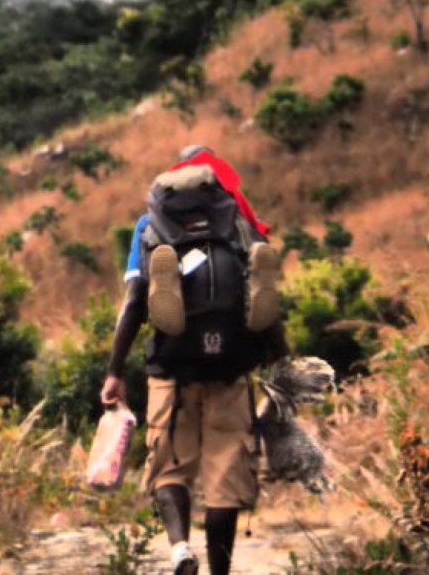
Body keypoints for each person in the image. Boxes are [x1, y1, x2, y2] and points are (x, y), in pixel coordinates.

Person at [100, 146, 287, 575]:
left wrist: (114, 372)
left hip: (171, 365)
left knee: (169, 467)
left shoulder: (151, 225)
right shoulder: (239, 221)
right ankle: (220, 571)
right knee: (226, 477)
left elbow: (133, 303)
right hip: (231, 369)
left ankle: (181, 547)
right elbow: (266, 301)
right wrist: (283, 364)